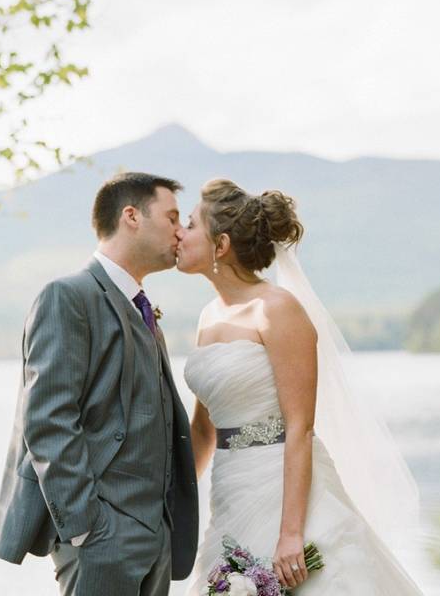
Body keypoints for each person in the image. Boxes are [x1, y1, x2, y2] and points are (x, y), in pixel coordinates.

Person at [176, 178, 424, 594]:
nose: (179, 234)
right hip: (230, 491)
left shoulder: (277, 310)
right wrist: (173, 503)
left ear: (220, 245)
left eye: (189, 224)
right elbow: (204, 429)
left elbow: (299, 427)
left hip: (282, 487)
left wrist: (291, 532)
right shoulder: (207, 317)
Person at [0, 172, 198, 596]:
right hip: (102, 539)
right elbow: (48, 420)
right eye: (173, 217)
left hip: (154, 538)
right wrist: (87, 529)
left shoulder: (141, 306)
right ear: (131, 216)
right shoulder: (67, 296)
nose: (181, 232)